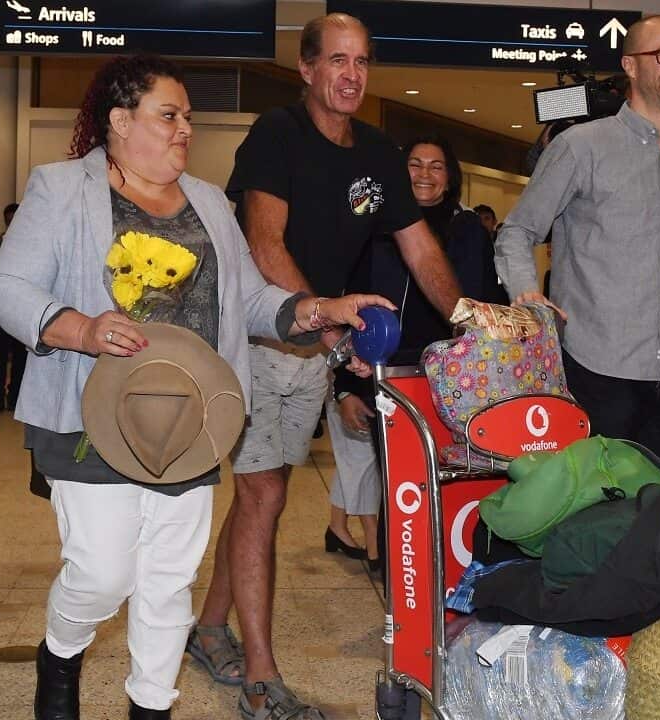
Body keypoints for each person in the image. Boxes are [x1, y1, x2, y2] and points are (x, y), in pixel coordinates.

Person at [0, 54, 392, 720]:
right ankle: (60, 650)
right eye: (168, 116)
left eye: (188, 119)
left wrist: (317, 309)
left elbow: (253, 301)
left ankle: (153, 705)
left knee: (170, 581)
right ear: (119, 121)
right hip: (90, 417)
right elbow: (9, 288)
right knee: (103, 574)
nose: (184, 131)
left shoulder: (207, 202)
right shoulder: (61, 189)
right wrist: (82, 329)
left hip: (193, 421)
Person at [189, 14, 463, 720]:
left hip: (315, 349)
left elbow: (420, 248)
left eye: (362, 62)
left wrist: (467, 319)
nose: (351, 74)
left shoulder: (376, 149)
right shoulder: (277, 135)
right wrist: (324, 312)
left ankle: (209, 629)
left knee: (264, 493)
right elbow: (263, 241)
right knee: (265, 499)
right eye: (337, 60)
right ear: (307, 67)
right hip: (258, 337)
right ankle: (259, 674)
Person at [494, 14, 660, 508]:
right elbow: (517, 232)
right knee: (603, 516)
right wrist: (527, 298)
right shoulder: (580, 147)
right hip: (600, 370)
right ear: (630, 66)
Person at [327, 135, 506, 573]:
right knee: (400, 489)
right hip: (384, 378)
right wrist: (348, 388)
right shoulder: (372, 231)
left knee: (452, 486)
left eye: (436, 166)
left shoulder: (467, 233)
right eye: (415, 164)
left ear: (450, 179)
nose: (425, 173)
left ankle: (453, 582)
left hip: (453, 385)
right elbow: (351, 309)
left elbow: (482, 304)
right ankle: (404, 588)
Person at [0, 202, 27, 414]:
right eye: (8, 221)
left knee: (21, 354)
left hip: (22, 306)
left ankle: (15, 396)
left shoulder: (30, 242)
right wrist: (2, 248)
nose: (11, 225)